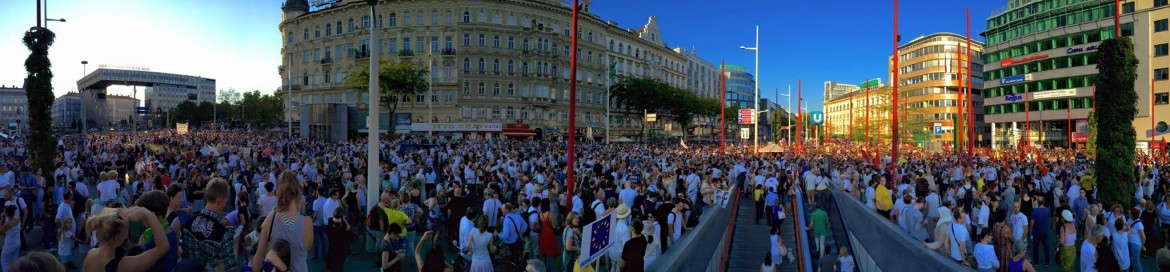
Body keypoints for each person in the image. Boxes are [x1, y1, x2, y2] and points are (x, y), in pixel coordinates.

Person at [251, 171, 312, 272]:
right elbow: (306, 248)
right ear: (298, 194)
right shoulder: (307, 222)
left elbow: (258, 260)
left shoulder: (271, 218)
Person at [82, 207, 169, 272]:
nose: (127, 228)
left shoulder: (91, 254)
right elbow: (163, 247)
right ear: (117, 236)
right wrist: (147, 213)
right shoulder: (124, 266)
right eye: (125, 227)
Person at [179, 178, 237, 272]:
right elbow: (230, 269)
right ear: (220, 201)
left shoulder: (188, 222)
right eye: (226, 201)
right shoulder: (224, 235)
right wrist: (236, 245)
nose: (225, 204)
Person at [135, 190, 180, 272]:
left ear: (158, 213)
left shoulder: (147, 239)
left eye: (145, 213)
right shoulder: (171, 230)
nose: (142, 217)